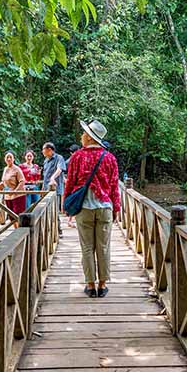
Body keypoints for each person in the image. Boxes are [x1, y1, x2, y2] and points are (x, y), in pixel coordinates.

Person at [65, 119, 120, 298]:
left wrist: (67, 207)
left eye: (83, 134)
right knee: (103, 247)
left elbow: (70, 184)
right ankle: (102, 285)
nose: (81, 136)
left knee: (87, 247)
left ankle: (90, 285)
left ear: (89, 137)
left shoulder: (77, 157)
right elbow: (114, 188)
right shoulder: (110, 158)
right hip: (105, 208)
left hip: (84, 209)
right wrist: (117, 210)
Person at [0, 151, 25, 227]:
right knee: (11, 217)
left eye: (10, 157)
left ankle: (20, 234)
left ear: (13, 159)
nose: (9, 159)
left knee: (17, 215)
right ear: (5, 159)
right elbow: (3, 183)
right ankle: (16, 232)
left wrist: (15, 191)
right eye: (7, 157)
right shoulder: (5, 169)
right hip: (7, 196)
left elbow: (22, 181)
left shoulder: (17, 169)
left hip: (18, 196)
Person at [41, 142, 68, 234]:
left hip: (55, 189)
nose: (42, 151)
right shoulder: (46, 160)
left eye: (43, 149)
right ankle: (49, 232)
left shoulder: (59, 158)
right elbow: (45, 175)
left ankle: (58, 230)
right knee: (46, 210)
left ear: (49, 149)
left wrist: (53, 178)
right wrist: (42, 189)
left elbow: (59, 169)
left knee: (54, 210)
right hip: (46, 189)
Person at [65, 144, 81, 228]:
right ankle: (70, 220)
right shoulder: (69, 162)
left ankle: (72, 220)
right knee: (74, 202)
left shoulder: (72, 160)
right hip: (73, 184)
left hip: (75, 184)